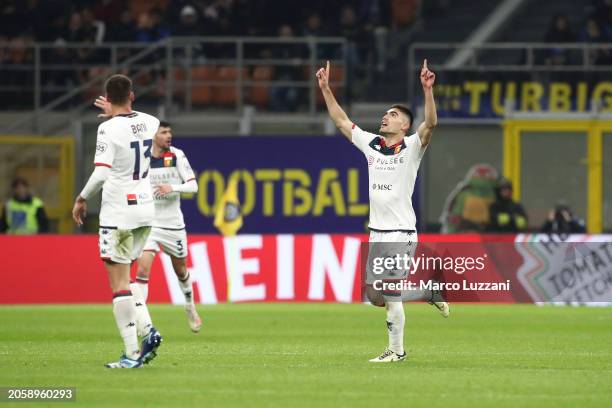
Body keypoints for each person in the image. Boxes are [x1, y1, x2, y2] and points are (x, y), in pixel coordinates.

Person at [316, 60, 448, 363]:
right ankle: (428, 293)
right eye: (386, 113)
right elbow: (341, 121)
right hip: (376, 231)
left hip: (401, 231)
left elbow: (431, 124)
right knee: (375, 296)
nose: (385, 117)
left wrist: (428, 91)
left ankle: (396, 351)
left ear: (404, 125)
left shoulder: (414, 146)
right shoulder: (373, 144)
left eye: (393, 114)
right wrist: (325, 90)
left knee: (389, 292)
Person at [72, 74, 162, 369]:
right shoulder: (151, 121)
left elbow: (101, 173)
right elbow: (131, 125)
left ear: (107, 99)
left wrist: (82, 197)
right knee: (128, 278)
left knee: (118, 283)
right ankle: (148, 331)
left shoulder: (106, 129)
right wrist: (115, 112)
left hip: (119, 212)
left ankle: (131, 354)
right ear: (133, 96)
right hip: (145, 211)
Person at [93, 100, 203, 333]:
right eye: (164, 132)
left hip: (173, 224)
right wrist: (114, 118)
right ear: (153, 135)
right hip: (149, 221)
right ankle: (142, 322)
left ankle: (190, 306)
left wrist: (172, 188)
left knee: (180, 269)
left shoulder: (176, 155)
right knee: (142, 271)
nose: (168, 135)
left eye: (170, 131)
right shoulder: (142, 157)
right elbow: (123, 140)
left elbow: (193, 186)